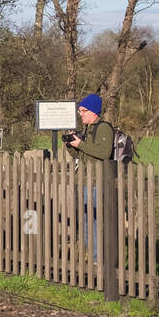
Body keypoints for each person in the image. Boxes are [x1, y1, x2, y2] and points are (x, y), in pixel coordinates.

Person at [65, 93, 114, 262]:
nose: (80, 114)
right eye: (79, 111)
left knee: (93, 221)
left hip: (97, 182)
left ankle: (97, 259)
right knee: (86, 221)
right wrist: (71, 145)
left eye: (83, 111)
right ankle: (92, 256)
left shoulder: (104, 128)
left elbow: (104, 152)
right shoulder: (88, 129)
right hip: (86, 181)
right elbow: (83, 156)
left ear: (93, 112)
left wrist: (81, 144)